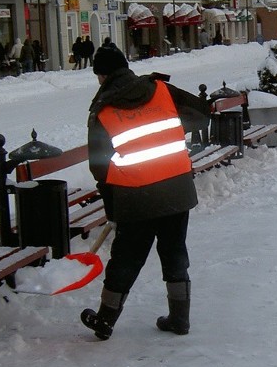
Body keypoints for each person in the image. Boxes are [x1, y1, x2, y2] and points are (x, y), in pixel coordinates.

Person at [80, 44, 211, 342]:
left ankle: (105, 319)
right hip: (177, 189)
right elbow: (202, 116)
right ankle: (180, 318)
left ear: (102, 75)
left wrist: (111, 204)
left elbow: (98, 166)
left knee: (126, 257)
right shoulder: (161, 89)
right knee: (174, 250)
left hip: (136, 196)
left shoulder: (103, 109)